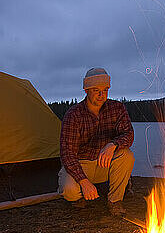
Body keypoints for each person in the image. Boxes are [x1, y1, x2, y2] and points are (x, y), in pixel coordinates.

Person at [58, 67, 135, 216]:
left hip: (104, 162)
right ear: (86, 90)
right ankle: (81, 195)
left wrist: (113, 144)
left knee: (126, 155)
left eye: (105, 90)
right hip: (82, 163)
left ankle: (115, 201)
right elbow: (67, 154)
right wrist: (84, 182)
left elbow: (128, 134)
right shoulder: (74, 115)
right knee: (70, 191)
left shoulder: (117, 108)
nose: (101, 95)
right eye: (96, 90)